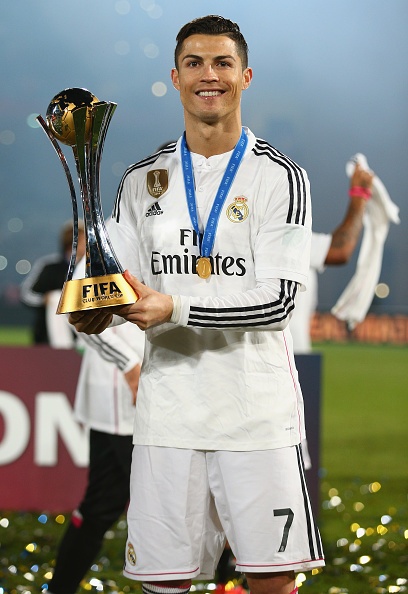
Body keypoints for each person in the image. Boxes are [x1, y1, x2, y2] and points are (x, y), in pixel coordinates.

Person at [70, 15, 324, 594]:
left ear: (245, 76)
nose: (209, 75)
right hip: (168, 417)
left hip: (255, 417)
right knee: (163, 582)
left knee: (271, 581)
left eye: (222, 63)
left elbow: (279, 302)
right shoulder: (141, 180)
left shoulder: (280, 177)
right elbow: (114, 280)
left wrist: (175, 308)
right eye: (194, 63)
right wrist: (89, 302)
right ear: (176, 77)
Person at [47, 318, 144, 594]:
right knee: (106, 505)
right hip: (120, 396)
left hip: (160, 388)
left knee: (103, 505)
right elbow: (83, 313)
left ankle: (226, 580)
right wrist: (130, 366)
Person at [290, 163, 374, 354]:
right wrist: (359, 195)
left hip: (274, 353)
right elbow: (340, 250)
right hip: (289, 353)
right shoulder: (282, 237)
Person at [20, 220, 85, 345]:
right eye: (84, 240)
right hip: (47, 338)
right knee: (56, 298)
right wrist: (43, 300)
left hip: (84, 339)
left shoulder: (93, 269)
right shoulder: (48, 266)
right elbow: (26, 294)